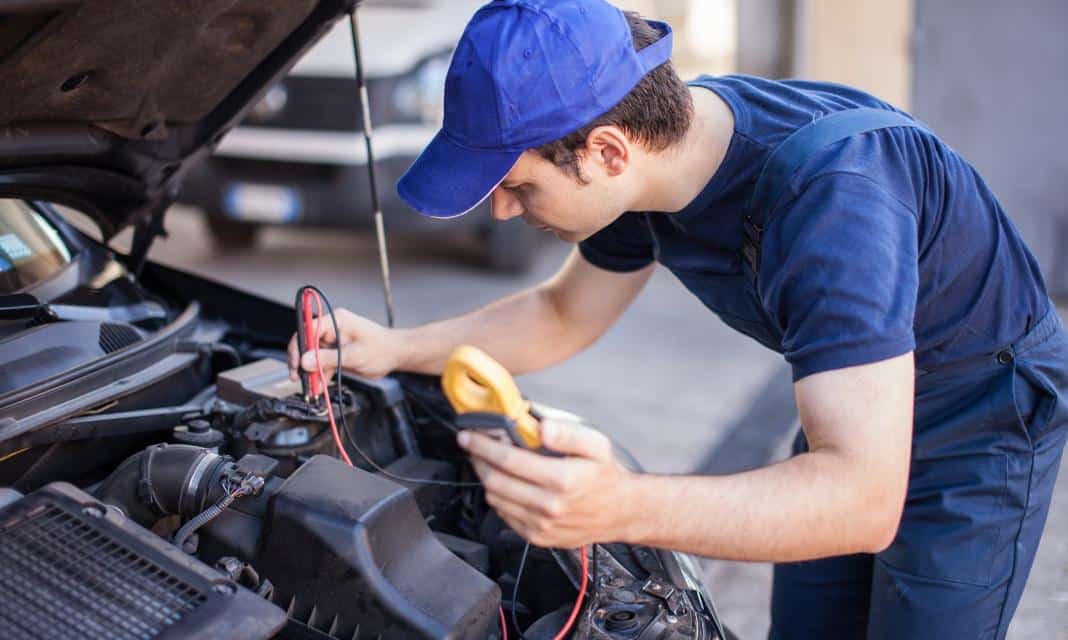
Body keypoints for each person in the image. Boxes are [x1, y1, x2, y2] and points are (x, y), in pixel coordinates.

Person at [288, 1, 1068, 637]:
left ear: (607, 152)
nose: (501, 206)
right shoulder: (650, 164)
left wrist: (622, 503)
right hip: (857, 404)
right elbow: (562, 312)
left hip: (979, 418)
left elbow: (860, 499)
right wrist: (393, 347)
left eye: (516, 183)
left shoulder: (833, 202)